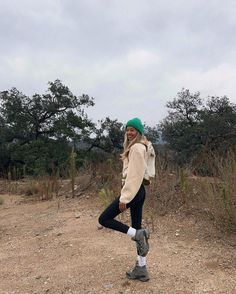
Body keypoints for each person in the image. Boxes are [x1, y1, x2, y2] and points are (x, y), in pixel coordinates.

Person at [98, 117, 151, 282]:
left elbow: (134, 176)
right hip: (140, 191)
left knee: (104, 218)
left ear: (139, 131)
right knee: (137, 228)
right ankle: (141, 268)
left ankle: (137, 234)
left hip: (133, 191)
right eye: (127, 129)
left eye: (132, 129)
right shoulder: (143, 146)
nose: (129, 132)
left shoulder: (136, 148)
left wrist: (125, 198)